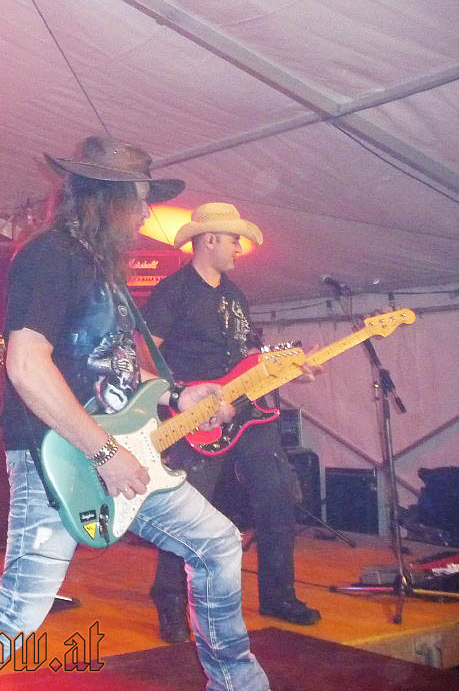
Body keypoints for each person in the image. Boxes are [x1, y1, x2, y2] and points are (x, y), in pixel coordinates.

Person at [0, 137, 269, 691]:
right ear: (106, 196)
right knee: (19, 610)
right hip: (58, 457)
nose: (146, 213)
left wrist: (178, 395)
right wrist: (103, 451)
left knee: (217, 542)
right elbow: (26, 365)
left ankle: (237, 684)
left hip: (127, 453)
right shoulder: (49, 256)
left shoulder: (104, 268)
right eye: (140, 199)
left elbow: (117, 367)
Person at [145, 202, 321, 642]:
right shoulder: (172, 292)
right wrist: (181, 395)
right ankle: (169, 601)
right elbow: (144, 355)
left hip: (246, 412)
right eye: (234, 239)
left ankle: (279, 596)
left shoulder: (236, 295)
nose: (240, 248)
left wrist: (289, 368)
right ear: (209, 240)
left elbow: (248, 358)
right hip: (197, 416)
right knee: (185, 512)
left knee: (279, 494)